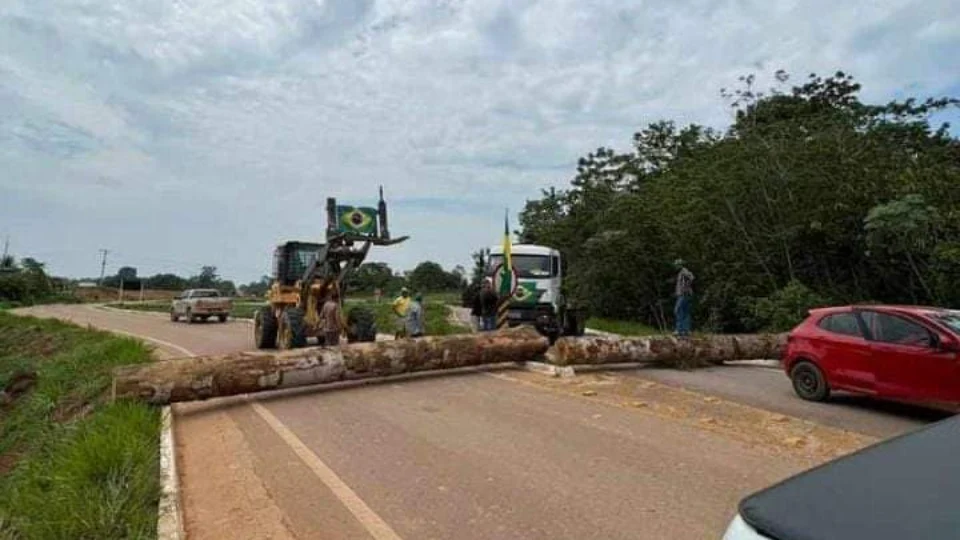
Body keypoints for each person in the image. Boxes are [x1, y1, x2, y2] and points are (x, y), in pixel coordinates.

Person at [673, 259, 695, 337]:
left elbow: (692, 277)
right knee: (685, 312)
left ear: (680, 265)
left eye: (676, 265)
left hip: (683, 294)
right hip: (684, 294)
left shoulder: (684, 271)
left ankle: (679, 330)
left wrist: (686, 287)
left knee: (678, 310)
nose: (675, 267)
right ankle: (685, 330)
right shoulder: (681, 272)